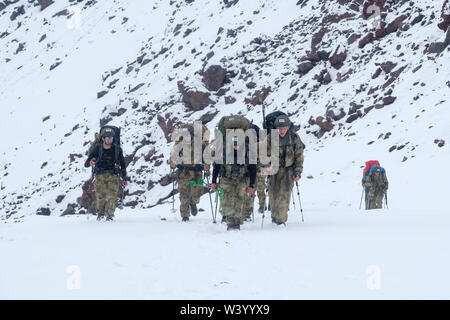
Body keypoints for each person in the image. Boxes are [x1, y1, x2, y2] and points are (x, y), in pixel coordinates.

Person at [211, 116, 256, 230]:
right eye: (234, 144)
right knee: (227, 201)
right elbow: (216, 165)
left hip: (242, 178)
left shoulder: (247, 149)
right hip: (227, 178)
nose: (236, 146)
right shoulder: (223, 149)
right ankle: (231, 224)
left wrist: (251, 185)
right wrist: (214, 181)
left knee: (240, 200)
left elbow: (252, 168)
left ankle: (237, 223)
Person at [262, 115, 304, 225]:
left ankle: (281, 221)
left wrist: (298, 172)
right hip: (273, 171)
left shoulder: (294, 138)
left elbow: (299, 156)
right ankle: (275, 218)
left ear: (288, 127)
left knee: (284, 196)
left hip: (288, 172)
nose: (282, 130)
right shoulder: (270, 138)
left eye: (284, 128)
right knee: (273, 195)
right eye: (279, 128)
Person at [84, 127, 127, 221]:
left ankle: (110, 215)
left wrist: (124, 178)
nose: (109, 140)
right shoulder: (97, 149)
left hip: (113, 175)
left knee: (112, 196)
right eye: (107, 138)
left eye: (111, 138)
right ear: (103, 139)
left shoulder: (117, 149)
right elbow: (86, 163)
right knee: (100, 196)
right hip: (100, 176)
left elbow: (123, 164)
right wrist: (90, 162)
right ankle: (100, 215)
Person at [170, 124, 209, 222]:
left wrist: (207, 164)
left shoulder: (200, 144)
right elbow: (173, 156)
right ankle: (185, 215)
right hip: (183, 172)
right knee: (183, 194)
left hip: (196, 172)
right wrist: (173, 163)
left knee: (197, 193)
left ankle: (193, 203)